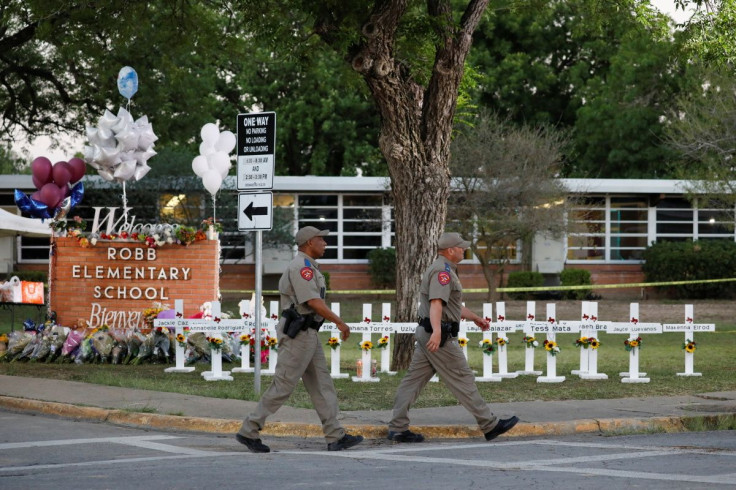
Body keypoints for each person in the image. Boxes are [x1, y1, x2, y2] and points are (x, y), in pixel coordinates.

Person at [236, 226, 363, 453]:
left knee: (322, 385)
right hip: (298, 336)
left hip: (308, 334)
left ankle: (335, 436)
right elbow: (313, 301)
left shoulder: (309, 267)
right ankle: (249, 429)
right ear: (308, 243)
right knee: (283, 385)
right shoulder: (301, 267)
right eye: (321, 239)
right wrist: (339, 321)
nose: (325, 243)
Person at [387, 232, 519, 443]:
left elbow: (451, 305)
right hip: (438, 337)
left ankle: (397, 428)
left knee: (412, 381)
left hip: (428, 333)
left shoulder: (444, 269)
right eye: (460, 247)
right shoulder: (443, 271)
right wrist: (438, 333)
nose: (463, 249)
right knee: (463, 378)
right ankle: (490, 424)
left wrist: (475, 318)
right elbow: (437, 303)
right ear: (450, 250)